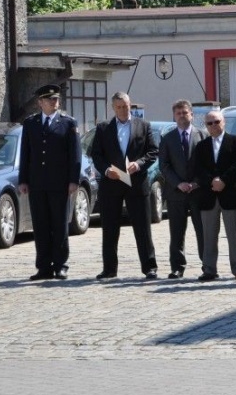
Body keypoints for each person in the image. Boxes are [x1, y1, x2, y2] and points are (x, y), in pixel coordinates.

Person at [90, 91, 159, 280]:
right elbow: (96, 154)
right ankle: (109, 269)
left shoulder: (143, 126)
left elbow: (152, 151)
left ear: (130, 105)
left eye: (125, 106)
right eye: (118, 106)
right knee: (110, 228)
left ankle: (149, 267)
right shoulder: (104, 128)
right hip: (111, 183)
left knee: (143, 227)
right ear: (113, 108)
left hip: (136, 183)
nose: (122, 109)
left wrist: (138, 164)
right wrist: (105, 170)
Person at [17, 84, 81, 280]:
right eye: (49, 99)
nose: (54, 102)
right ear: (40, 103)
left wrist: (73, 180)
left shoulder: (68, 123)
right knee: (41, 225)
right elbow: (25, 153)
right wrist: (23, 180)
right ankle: (43, 266)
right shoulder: (31, 123)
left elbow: (75, 155)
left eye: (56, 99)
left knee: (59, 224)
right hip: (37, 183)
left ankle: (61, 264)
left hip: (59, 183)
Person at [194, 110, 236, 281]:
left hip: (231, 193)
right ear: (206, 126)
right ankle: (209, 269)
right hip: (209, 196)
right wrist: (212, 182)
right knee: (209, 235)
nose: (213, 126)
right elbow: (198, 169)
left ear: (223, 122)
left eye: (216, 122)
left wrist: (223, 180)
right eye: (209, 123)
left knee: (235, 234)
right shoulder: (201, 146)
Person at [158, 99, 205, 279]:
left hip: (197, 192)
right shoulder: (168, 138)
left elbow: (206, 164)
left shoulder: (202, 135)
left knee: (202, 230)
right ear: (174, 116)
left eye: (185, 113)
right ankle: (177, 267)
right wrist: (178, 183)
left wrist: (195, 183)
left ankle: (207, 264)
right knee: (177, 231)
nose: (182, 116)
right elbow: (164, 165)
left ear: (192, 115)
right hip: (176, 192)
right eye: (178, 113)